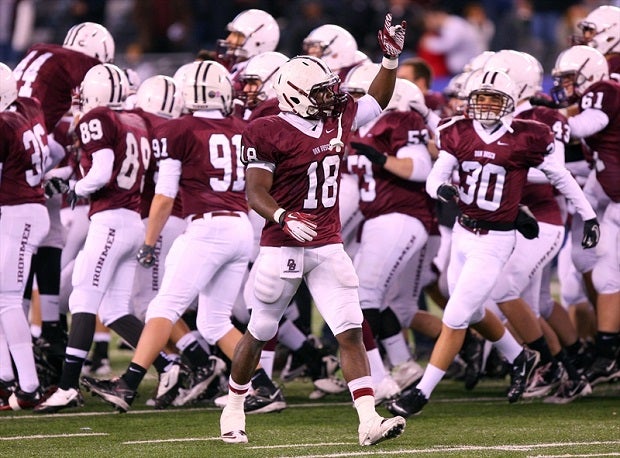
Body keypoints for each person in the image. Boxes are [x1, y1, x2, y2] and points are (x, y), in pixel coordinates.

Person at [219, 13, 408, 447]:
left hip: (327, 241)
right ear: (295, 96)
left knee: (349, 328)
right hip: (283, 242)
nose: (331, 97)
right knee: (261, 328)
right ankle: (233, 406)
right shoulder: (266, 131)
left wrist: (390, 60)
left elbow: (377, 100)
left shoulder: (338, 114)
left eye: (330, 90)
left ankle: (367, 420)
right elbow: (255, 192)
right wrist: (284, 217)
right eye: (321, 92)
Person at [386, 68, 599, 418]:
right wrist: (440, 188)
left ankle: (420, 394)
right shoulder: (458, 131)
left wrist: (588, 215)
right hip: (463, 233)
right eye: (479, 97)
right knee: (469, 310)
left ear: (509, 104)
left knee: (455, 315)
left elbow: (559, 176)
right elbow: (438, 173)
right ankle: (520, 357)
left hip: (496, 240)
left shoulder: (527, 136)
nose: (484, 104)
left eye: (493, 98)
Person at [79, 60, 283, 414]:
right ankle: (265, 388)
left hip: (207, 226)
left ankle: (127, 384)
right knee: (214, 321)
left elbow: (164, 195)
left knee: (162, 306)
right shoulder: (242, 127)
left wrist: (148, 241)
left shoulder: (179, 129)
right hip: (239, 225)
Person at [33, 63, 152, 413]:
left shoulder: (98, 117)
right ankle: (172, 367)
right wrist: (71, 177)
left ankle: (67, 386)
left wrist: (73, 188)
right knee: (115, 310)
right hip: (132, 221)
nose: (80, 97)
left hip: (110, 219)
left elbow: (100, 172)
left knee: (82, 296)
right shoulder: (135, 120)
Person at [12, 21, 115, 389]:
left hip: (24, 140)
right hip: (29, 150)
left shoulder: (40, 54)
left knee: (46, 234)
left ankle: (48, 329)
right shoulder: (78, 64)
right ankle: (39, 342)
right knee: (20, 261)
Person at [551, 45, 620, 387]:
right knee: (586, 257)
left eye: (568, 79)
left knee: (607, 272)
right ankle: (607, 346)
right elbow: (592, 169)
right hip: (611, 191)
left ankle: (609, 351)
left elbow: (585, 125)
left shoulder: (605, 90)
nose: (564, 87)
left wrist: (546, 122)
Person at [0, 62, 57, 410]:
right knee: (2, 300)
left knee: (7, 300)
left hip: (19, 212)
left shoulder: (4, 124)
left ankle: (29, 386)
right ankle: (6, 379)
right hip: (26, 209)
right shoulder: (29, 106)